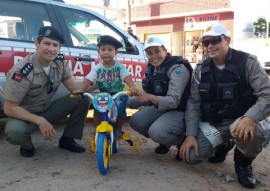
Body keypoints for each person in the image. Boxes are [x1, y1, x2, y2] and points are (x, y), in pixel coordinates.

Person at [179, 23, 270, 189]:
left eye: (215, 40)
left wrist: (251, 117)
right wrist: (190, 134)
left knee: (253, 132)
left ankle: (243, 163)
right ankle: (225, 143)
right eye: (206, 43)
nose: (210, 46)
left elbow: (267, 94)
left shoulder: (248, 62)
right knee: (191, 157)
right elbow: (193, 103)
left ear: (227, 40)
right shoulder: (200, 69)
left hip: (242, 120)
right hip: (218, 123)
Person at [3, 26, 91, 157]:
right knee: (15, 132)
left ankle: (67, 139)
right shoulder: (22, 71)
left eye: (55, 45)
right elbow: (9, 108)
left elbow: (75, 88)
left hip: (47, 109)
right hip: (25, 115)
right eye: (46, 43)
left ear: (59, 48)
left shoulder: (59, 62)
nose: (51, 49)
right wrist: (40, 121)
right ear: (37, 44)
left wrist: (99, 82)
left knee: (82, 99)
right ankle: (26, 143)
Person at [129, 36, 193, 155]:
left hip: (182, 110)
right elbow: (148, 96)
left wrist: (150, 97)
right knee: (136, 121)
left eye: (157, 51)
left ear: (165, 50)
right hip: (164, 108)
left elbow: (173, 101)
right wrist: (129, 102)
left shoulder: (177, 69)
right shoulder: (151, 69)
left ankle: (181, 141)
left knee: (157, 131)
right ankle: (164, 141)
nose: (153, 56)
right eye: (149, 53)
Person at [75, 35, 138, 139]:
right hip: (104, 94)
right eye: (103, 49)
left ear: (116, 52)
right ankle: (98, 128)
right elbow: (89, 79)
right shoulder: (97, 68)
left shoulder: (119, 66)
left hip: (117, 94)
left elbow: (127, 77)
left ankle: (118, 129)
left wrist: (132, 86)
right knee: (97, 109)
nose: (106, 52)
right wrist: (81, 89)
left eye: (110, 49)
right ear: (98, 52)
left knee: (121, 108)